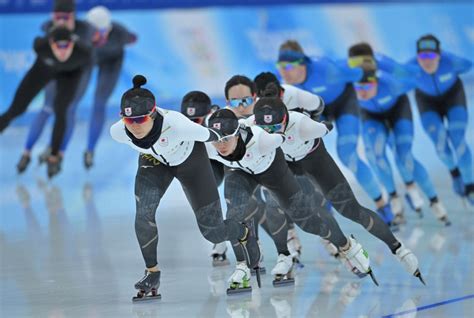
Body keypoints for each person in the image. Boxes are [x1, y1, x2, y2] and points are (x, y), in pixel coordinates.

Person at [250, 74, 425, 284]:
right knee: (300, 209)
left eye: (276, 128)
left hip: (314, 159)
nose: (270, 133)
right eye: (265, 129)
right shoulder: (253, 121)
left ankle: (399, 249)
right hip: (287, 164)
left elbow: (323, 120)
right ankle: (336, 248)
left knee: (350, 210)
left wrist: (322, 124)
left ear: (286, 118)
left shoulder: (303, 123)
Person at [109, 75, 260, 301]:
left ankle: (243, 230)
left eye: (140, 120)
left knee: (213, 232)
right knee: (143, 214)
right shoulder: (118, 131)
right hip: (154, 162)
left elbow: (218, 135)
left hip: (191, 161)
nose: (135, 126)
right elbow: (131, 130)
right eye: (129, 121)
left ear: (153, 113)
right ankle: (152, 273)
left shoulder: (178, 124)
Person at [206, 107, 378, 292]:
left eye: (225, 139)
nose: (221, 145)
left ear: (237, 134)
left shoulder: (263, 139)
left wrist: (313, 125)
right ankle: (242, 266)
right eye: (216, 139)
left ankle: (347, 245)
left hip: (271, 171)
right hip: (240, 172)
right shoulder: (208, 145)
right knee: (233, 215)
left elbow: (283, 135)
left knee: (307, 223)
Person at [276, 40, 395, 224]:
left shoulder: (327, 70)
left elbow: (362, 72)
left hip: (344, 104)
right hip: (317, 110)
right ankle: (324, 198)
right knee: (304, 154)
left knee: (347, 154)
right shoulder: (282, 86)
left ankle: (382, 203)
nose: (284, 71)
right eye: (281, 66)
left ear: (303, 63)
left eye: (289, 65)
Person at [347, 43, 450, 225]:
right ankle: (394, 199)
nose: (359, 67)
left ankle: (432, 199)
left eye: (364, 61)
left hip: (397, 110)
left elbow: (415, 76)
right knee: (377, 155)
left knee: (403, 155)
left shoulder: (389, 78)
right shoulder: (347, 75)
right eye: (354, 63)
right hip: (370, 116)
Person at [0, 26, 92, 178]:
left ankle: (54, 156)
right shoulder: (41, 46)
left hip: (70, 75)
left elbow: (86, 75)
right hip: (43, 70)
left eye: (66, 46)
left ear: (73, 43)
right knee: (17, 108)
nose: (62, 51)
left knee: (61, 110)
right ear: (51, 44)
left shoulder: (83, 53)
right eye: (58, 46)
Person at [16, 0, 95, 176]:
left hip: (78, 72)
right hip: (57, 70)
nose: (61, 21)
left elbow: (88, 48)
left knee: (69, 109)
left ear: (73, 16)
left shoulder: (85, 29)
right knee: (47, 107)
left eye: (65, 17)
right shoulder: (48, 26)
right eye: (57, 17)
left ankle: (59, 154)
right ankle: (26, 152)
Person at [407, 34, 473, 204]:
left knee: (457, 139)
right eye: (422, 56)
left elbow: (469, 64)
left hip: (453, 97)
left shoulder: (451, 62)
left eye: (431, 56)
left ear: (440, 54)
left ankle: (471, 186)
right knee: (441, 145)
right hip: (427, 103)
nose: (426, 61)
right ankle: (455, 174)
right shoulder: (411, 68)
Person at [180, 91, 228, 266]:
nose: (192, 126)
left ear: (208, 115)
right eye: (189, 122)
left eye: (197, 121)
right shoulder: (178, 127)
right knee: (204, 198)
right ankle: (219, 239)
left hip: (230, 159)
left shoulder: (220, 123)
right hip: (208, 161)